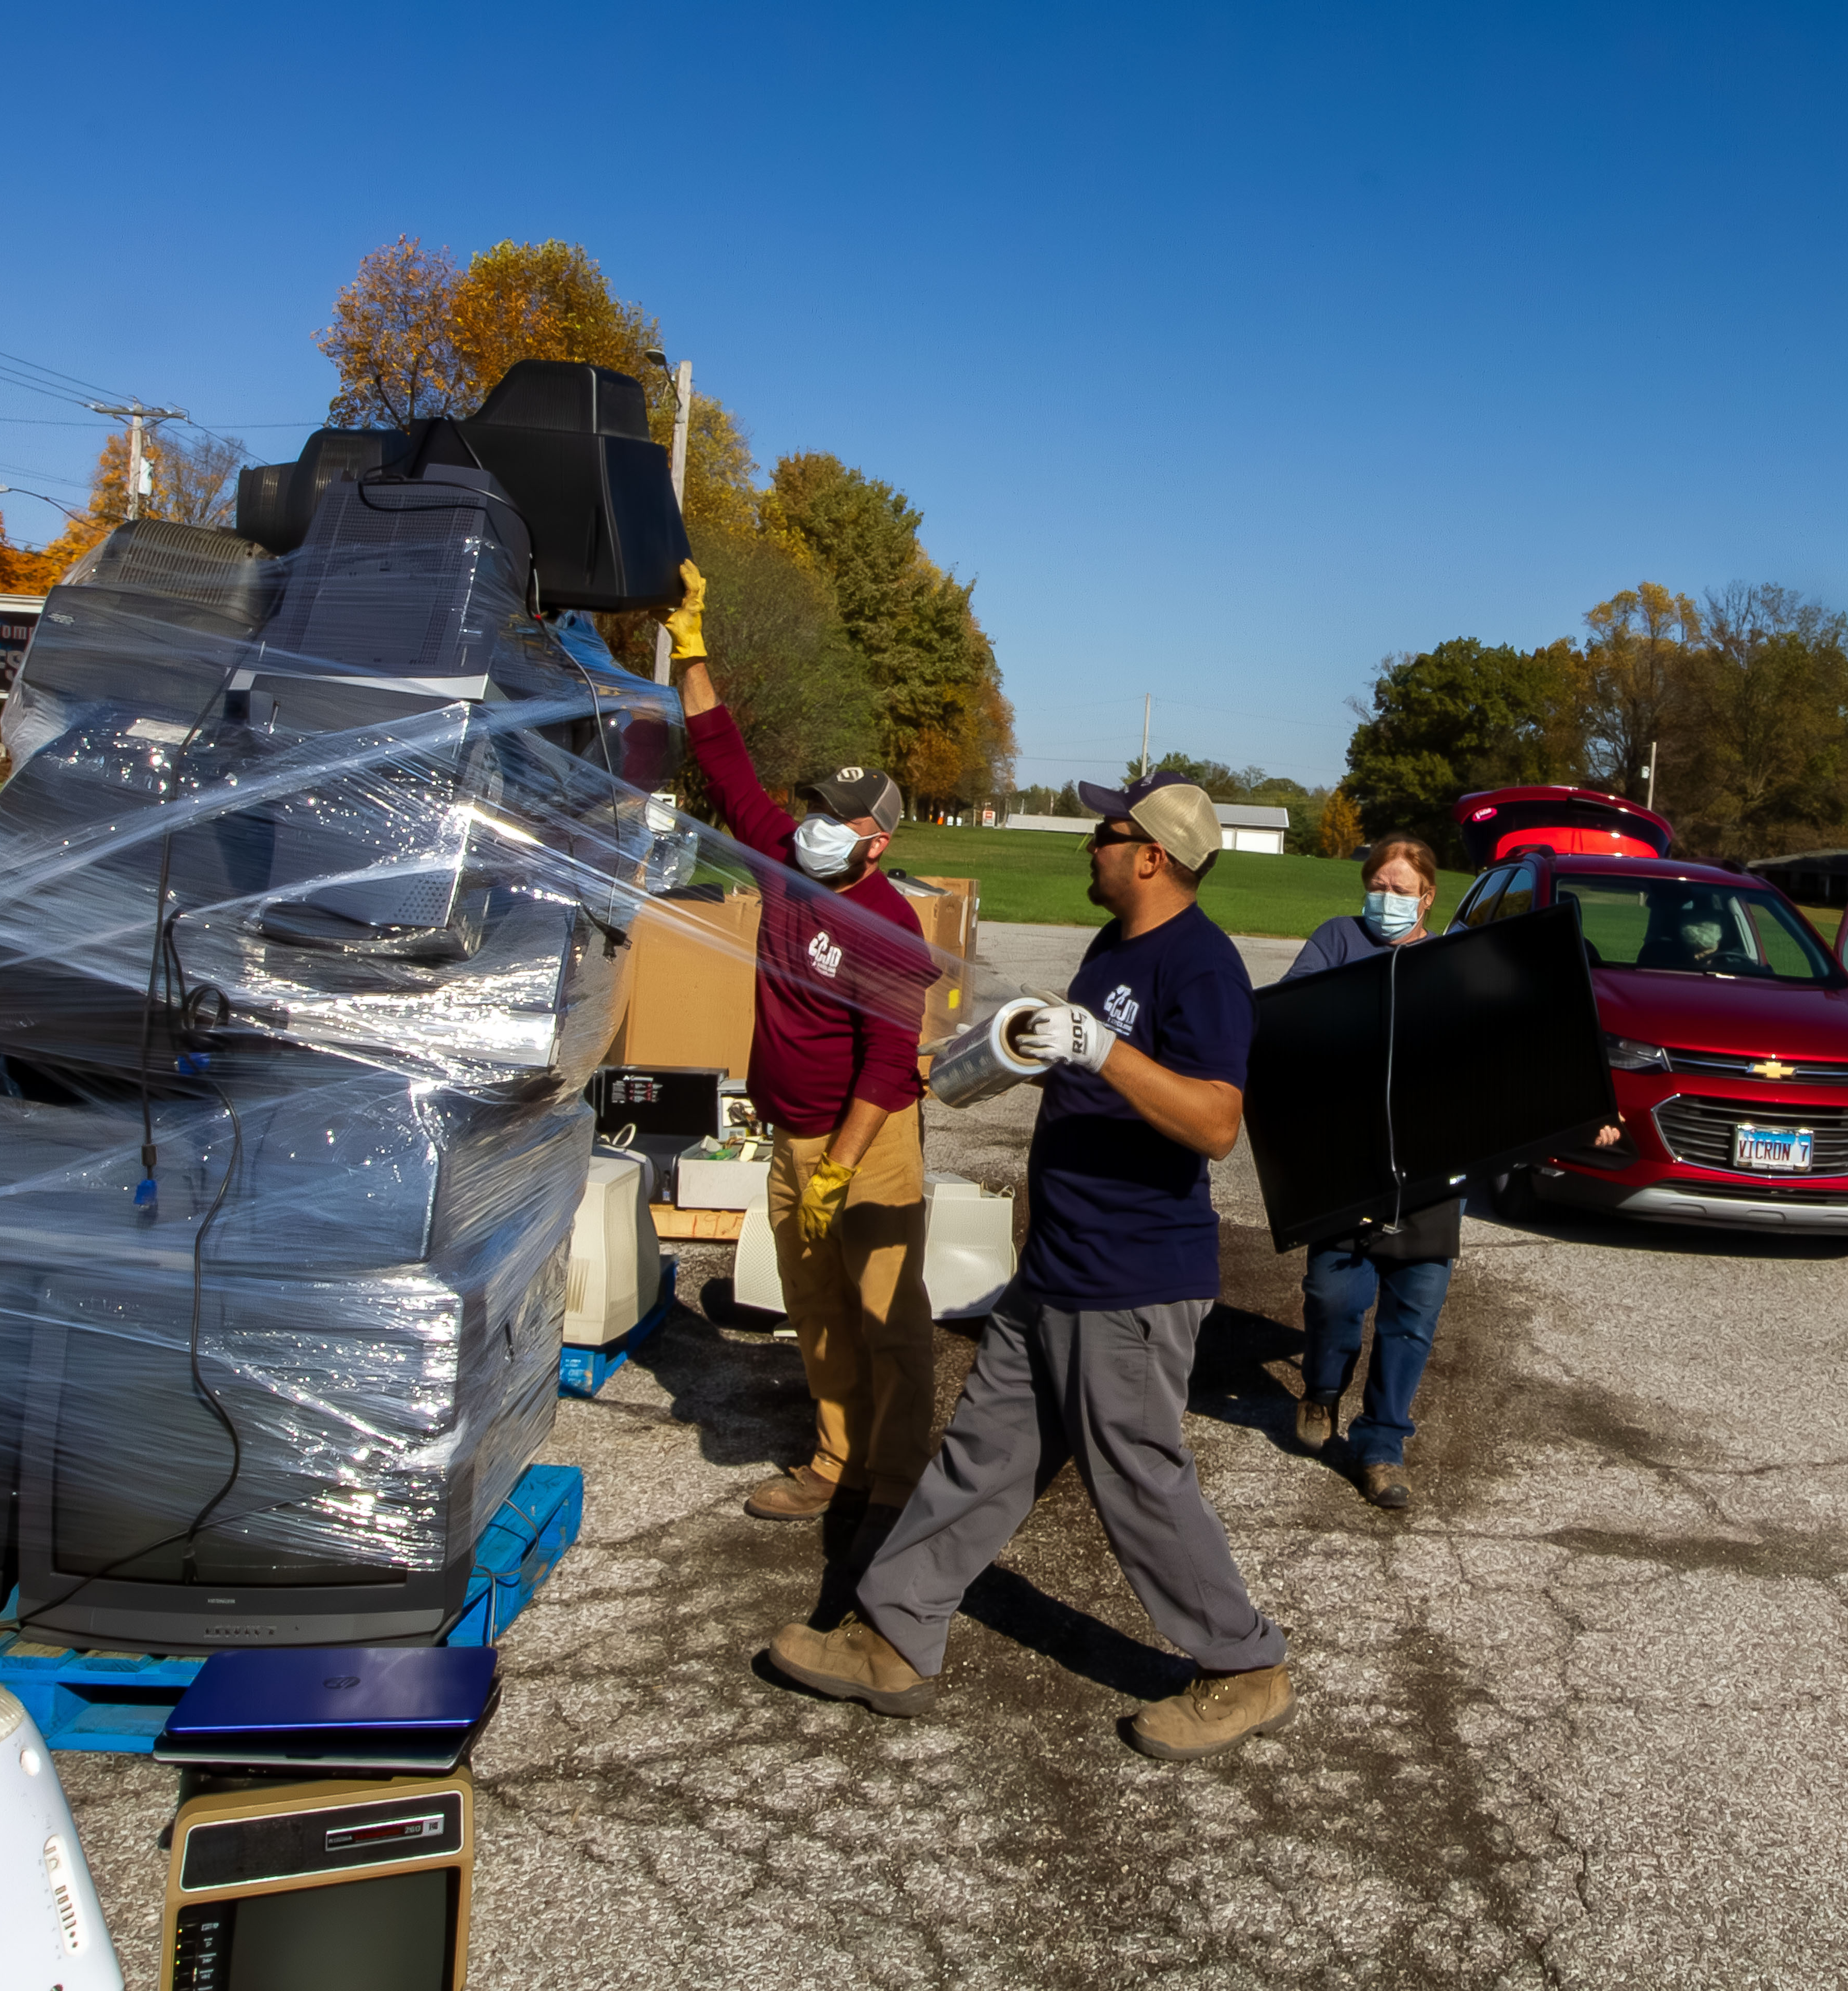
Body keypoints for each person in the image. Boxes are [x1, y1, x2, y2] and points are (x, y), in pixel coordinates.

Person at [766, 772, 1295, 1764]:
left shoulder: (1204, 966)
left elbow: (1217, 1123)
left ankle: (1245, 1667)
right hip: (1056, 1262)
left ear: (1152, 855)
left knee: (1137, 1478)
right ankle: (895, 1634)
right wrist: (1002, 1054)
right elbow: (1078, 1064)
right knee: (982, 1455)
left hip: (1133, 1279)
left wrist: (1099, 1048)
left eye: (1105, 831)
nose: (1086, 846)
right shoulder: (1111, 947)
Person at [664, 564, 941, 1536]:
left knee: (889, 1320)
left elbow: (886, 1061)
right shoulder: (785, 865)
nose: (813, 822)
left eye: (837, 814)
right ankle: (838, 1458)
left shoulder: (888, 924)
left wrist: (844, 1167)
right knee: (814, 1309)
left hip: (868, 1145)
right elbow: (723, 758)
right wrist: (691, 649)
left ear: (876, 840)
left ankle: (901, 1479)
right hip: (794, 1140)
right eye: (813, 806)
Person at [1287, 836, 1618, 1511]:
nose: (1386, 898)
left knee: (1412, 1315)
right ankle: (1322, 1387)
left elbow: (1521, 1049)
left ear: (1428, 896)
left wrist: (1582, 1113)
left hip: (1434, 1171)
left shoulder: (1457, 963)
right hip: (1348, 1165)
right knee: (1334, 1298)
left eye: (1401, 888)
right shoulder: (1337, 941)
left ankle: (1382, 1445)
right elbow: (1289, 1019)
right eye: (1378, 883)